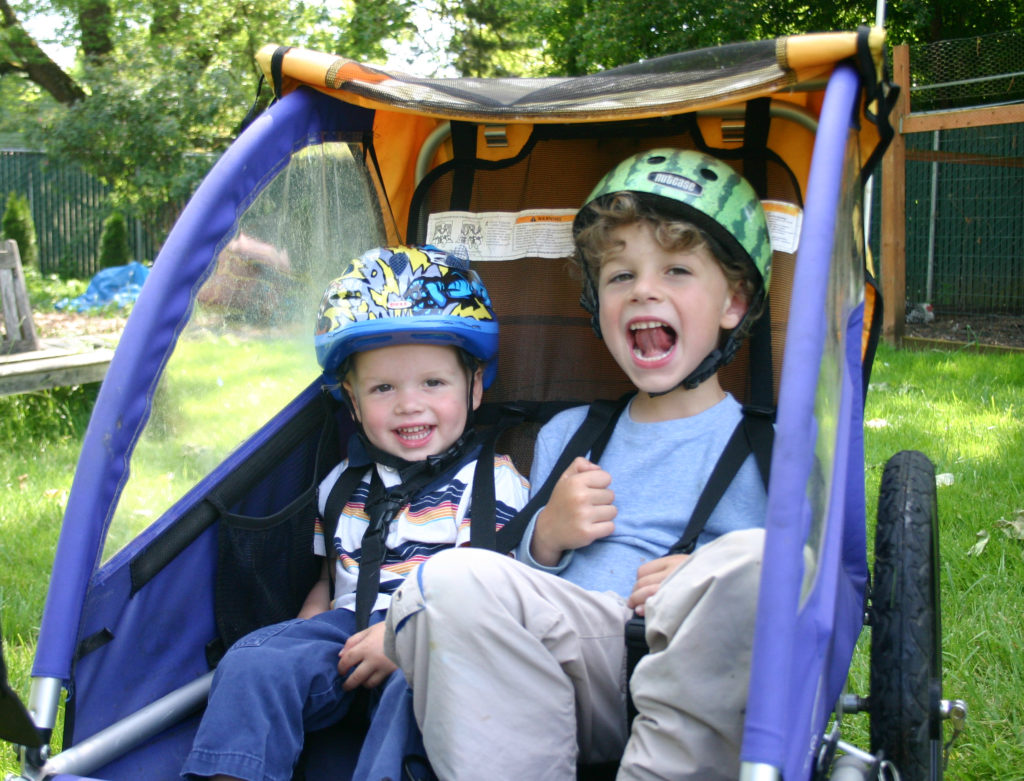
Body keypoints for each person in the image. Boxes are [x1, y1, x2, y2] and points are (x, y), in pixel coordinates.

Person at [384, 149, 774, 780]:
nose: (644, 288)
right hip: (574, 671)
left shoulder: (771, 447)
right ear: (598, 306)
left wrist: (704, 573)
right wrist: (544, 537)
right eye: (621, 276)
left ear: (733, 302)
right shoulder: (570, 435)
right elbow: (512, 586)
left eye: (676, 270)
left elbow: (809, 593)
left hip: (704, 674)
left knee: (758, 564)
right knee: (447, 581)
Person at [181, 245, 530, 781]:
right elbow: (329, 580)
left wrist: (403, 637)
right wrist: (298, 644)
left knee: (422, 690)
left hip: (439, 641)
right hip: (345, 631)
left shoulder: (492, 484)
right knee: (256, 661)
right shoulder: (342, 484)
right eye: (383, 388)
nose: (409, 404)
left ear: (475, 386)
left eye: (433, 383)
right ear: (351, 400)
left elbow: (491, 596)